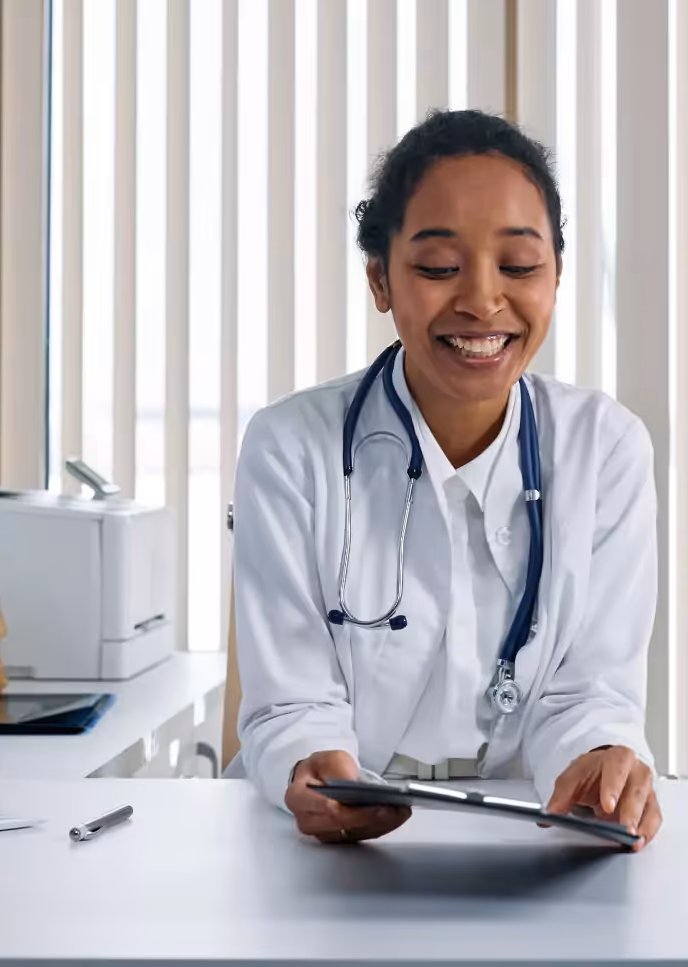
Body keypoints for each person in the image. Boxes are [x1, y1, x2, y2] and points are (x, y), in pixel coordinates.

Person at [232, 110, 661, 848]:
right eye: (437, 268)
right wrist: (313, 766)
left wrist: (599, 760)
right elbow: (290, 701)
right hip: (325, 853)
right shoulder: (290, 447)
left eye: (520, 267)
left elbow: (591, 692)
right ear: (380, 279)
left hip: (529, 841)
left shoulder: (605, 448)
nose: (482, 301)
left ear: (556, 277)